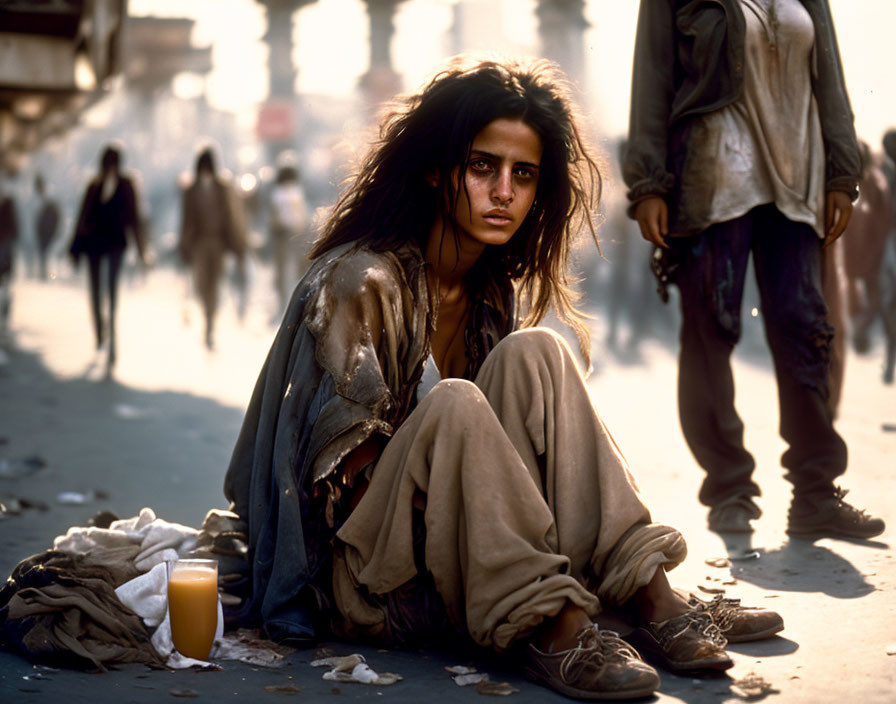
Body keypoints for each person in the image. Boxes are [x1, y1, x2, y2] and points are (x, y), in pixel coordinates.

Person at [223, 55, 782, 701]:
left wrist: (509, 506)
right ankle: (554, 625)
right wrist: (500, 512)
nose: (503, 193)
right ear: (437, 171)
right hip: (365, 581)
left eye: (523, 175)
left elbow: (492, 459)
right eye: (482, 167)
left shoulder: (489, 286)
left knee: (536, 352)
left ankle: (648, 593)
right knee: (456, 403)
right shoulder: (362, 281)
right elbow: (344, 498)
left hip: (460, 546)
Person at [623, 0, 885, 539]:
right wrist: (648, 182)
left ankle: (815, 493)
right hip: (712, 180)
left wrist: (841, 171)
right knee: (710, 330)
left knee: (804, 326)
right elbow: (650, 80)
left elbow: (830, 81)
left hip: (797, 183)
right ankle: (729, 490)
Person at [69, 144, 146, 370]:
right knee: (94, 293)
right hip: (94, 246)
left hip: (115, 247)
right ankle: (100, 334)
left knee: (112, 295)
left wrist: (141, 250)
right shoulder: (94, 186)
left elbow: (134, 218)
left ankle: (112, 344)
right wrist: (75, 248)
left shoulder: (126, 186)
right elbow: (82, 219)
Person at [178, 146, 248, 349]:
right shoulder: (191, 190)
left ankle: (210, 323)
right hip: (200, 243)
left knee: (215, 283)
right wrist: (184, 245)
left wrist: (237, 245)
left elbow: (231, 217)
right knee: (201, 285)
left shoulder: (223, 188)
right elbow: (186, 219)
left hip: (218, 243)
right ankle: (207, 313)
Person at [267, 158, 310, 314]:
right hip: (284, 237)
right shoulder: (281, 194)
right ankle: (284, 305)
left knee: (291, 272)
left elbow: (302, 216)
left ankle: (290, 305)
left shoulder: (289, 193)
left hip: (294, 236)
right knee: (283, 273)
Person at [0, 176, 20, 342]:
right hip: (5, 255)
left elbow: (15, 230)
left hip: (5, 257)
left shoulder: (9, 203)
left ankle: (5, 322)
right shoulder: (9, 202)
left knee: (6, 291)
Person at [33, 173, 61, 281]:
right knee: (43, 253)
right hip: (43, 231)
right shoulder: (39, 199)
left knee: (47, 253)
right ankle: (44, 273)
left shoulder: (48, 198)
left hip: (48, 231)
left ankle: (48, 274)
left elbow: (55, 216)